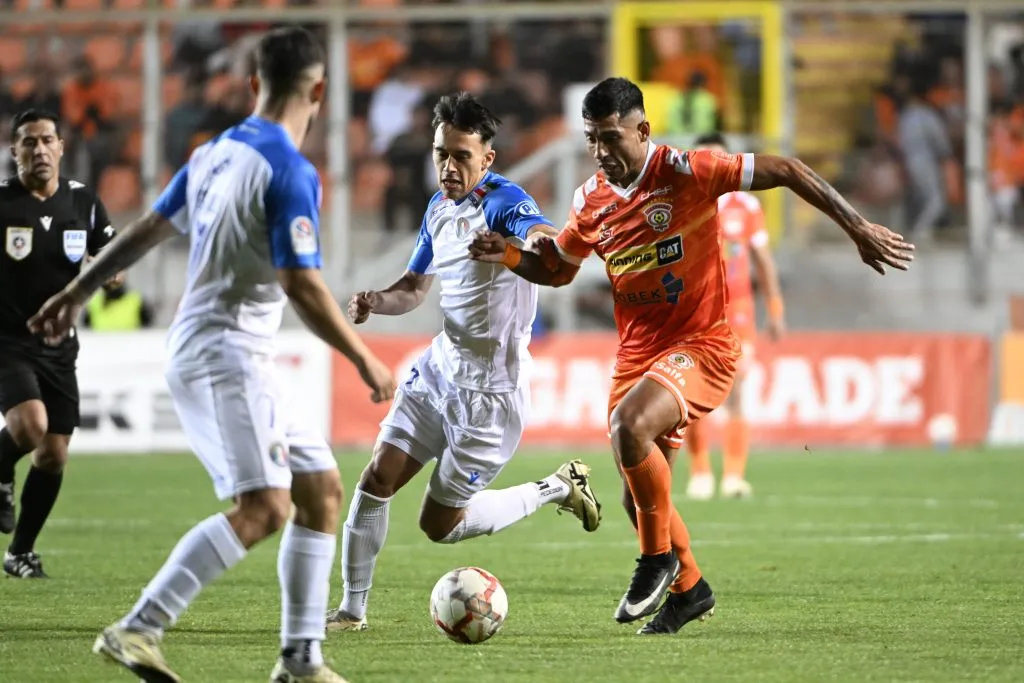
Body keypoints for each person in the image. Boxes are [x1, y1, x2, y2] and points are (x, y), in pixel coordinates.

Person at [469, 77, 914, 635]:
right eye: (591, 141)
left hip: (702, 346)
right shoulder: (590, 201)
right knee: (639, 502)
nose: (602, 152)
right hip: (637, 355)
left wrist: (857, 226)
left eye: (611, 138)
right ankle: (690, 590)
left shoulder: (687, 171)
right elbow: (558, 269)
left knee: (628, 426)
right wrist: (510, 254)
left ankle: (656, 562)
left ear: (643, 131)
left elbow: (788, 170)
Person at [28, 27, 394, 683]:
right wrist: (364, 357)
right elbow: (302, 282)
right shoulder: (288, 168)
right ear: (320, 91)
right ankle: (138, 626)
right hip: (224, 353)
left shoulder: (214, 153)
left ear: (254, 85)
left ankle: (301, 659)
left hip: (226, 348)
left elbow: (146, 227)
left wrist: (77, 289)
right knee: (264, 508)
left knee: (320, 490)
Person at [326, 93, 601, 633]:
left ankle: (555, 486)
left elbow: (543, 239)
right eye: (440, 154)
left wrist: (523, 245)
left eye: (460, 156)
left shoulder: (504, 202)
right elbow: (412, 288)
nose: (449, 167)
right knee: (376, 477)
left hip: (491, 394)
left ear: (488, 159)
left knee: (439, 525)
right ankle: (351, 610)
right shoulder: (437, 209)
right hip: (439, 371)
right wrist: (375, 301)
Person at [0, 108, 118, 579]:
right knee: (29, 426)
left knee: (53, 454)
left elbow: (109, 252)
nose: (40, 149)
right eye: (29, 142)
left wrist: (110, 272)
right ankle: (1, 470)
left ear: (62, 147)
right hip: (8, 340)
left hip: (60, 348)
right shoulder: (3, 202)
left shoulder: (83, 202)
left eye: (47, 140)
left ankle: (20, 553)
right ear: (15, 152)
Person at [684, 132, 785, 501]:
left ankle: (734, 477)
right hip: (696, 309)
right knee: (694, 390)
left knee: (737, 388)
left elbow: (763, 260)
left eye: (721, 160)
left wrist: (775, 306)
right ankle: (699, 473)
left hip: (738, 310)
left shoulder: (746, 206)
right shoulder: (684, 204)